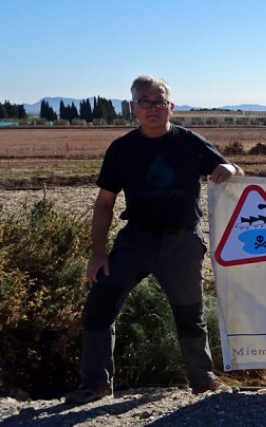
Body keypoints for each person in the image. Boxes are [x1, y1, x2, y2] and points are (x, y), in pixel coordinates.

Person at [65, 75, 244, 404]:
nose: (153, 108)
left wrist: (230, 168)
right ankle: (96, 384)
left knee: (190, 315)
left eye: (159, 101)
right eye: (144, 101)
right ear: (133, 107)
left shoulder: (189, 142)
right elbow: (105, 203)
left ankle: (203, 380)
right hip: (136, 242)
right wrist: (98, 254)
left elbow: (232, 168)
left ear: (170, 106)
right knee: (99, 307)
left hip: (182, 244)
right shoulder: (122, 150)